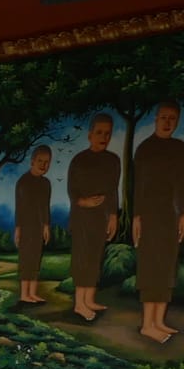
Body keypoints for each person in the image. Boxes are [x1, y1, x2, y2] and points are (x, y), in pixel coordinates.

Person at [132, 100, 184, 344]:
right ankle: (147, 324)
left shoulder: (182, 149)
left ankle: (159, 321)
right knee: (151, 267)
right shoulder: (145, 149)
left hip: (170, 214)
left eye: (173, 119)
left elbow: (183, 185)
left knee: (167, 266)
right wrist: (136, 217)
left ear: (177, 122)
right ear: (155, 119)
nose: (168, 122)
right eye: (164, 117)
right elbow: (138, 186)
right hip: (148, 215)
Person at [67, 113, 121, 321]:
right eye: (99, 132)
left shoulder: (113, 160)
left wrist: (113, 216)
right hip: (81, 217)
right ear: (90, 135)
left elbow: (113, 190)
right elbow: (72, 189)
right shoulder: (80, 160)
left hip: (101, 217)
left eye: (107, 133)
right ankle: (79, 304)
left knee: (95, 258)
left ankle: (89, 299)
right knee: (83, 259)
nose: (103, 137)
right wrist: (83, 201)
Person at [15, 146, 53, 304]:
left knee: (36, 259)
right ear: (32, 161)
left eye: (47, 162)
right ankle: (24, 294)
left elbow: (45, 207)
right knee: (26, 260)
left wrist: (46, 226)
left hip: (39, 227)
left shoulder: (46, 184)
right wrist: (18, 229)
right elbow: (19, 207)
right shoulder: (23, 181)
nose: (43, 165)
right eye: (40, 161)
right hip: (26, 226)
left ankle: (32, 293)